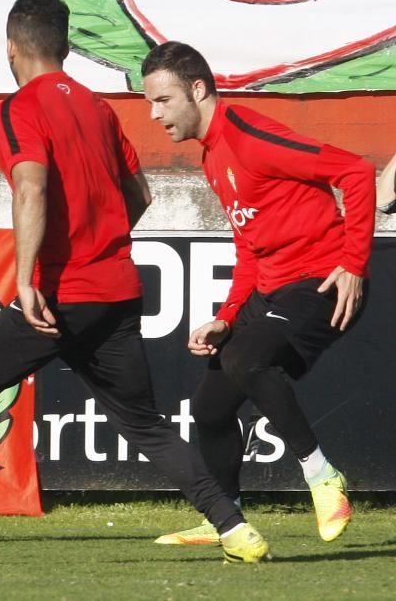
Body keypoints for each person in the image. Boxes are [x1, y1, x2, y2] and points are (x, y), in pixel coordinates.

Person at [0, 0, 270, 566]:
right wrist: (99, 241)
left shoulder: (17, 108)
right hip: (119, 290)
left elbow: (31, 188)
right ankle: (235, 528)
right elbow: (142, 195)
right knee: (144, 425)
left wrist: (29, 276)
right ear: (65, 47)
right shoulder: (99, 108)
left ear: (11, 48)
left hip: (62, 295)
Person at [140, 41, 375, 547]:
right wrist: (226, 316)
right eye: (150, 103)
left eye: (162, 100)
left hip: (321, 283)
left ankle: (322, 476)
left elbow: (355, 172)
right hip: (274, 293)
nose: (155, 115)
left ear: (197, 90)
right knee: (209, 408)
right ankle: (226, 518)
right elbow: (249, 248)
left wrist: (353, 264)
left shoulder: (249, 136)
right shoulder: (212, 157)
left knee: (245, 358)